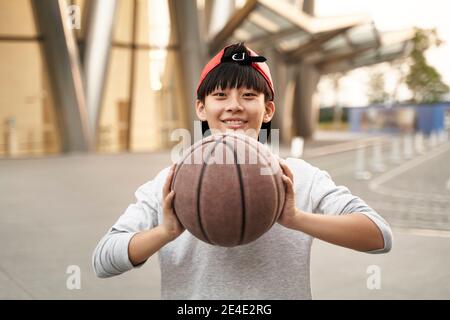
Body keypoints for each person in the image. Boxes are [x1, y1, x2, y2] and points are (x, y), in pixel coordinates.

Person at [92, 43, 392, 299]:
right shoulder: (171, 180)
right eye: (220, 95)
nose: (234, 106)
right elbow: (103, 260)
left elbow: (378, 236)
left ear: (268, 110)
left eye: (248, 95)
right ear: (201, 108)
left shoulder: (298, 176)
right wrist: (165, 232)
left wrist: (295, 218)